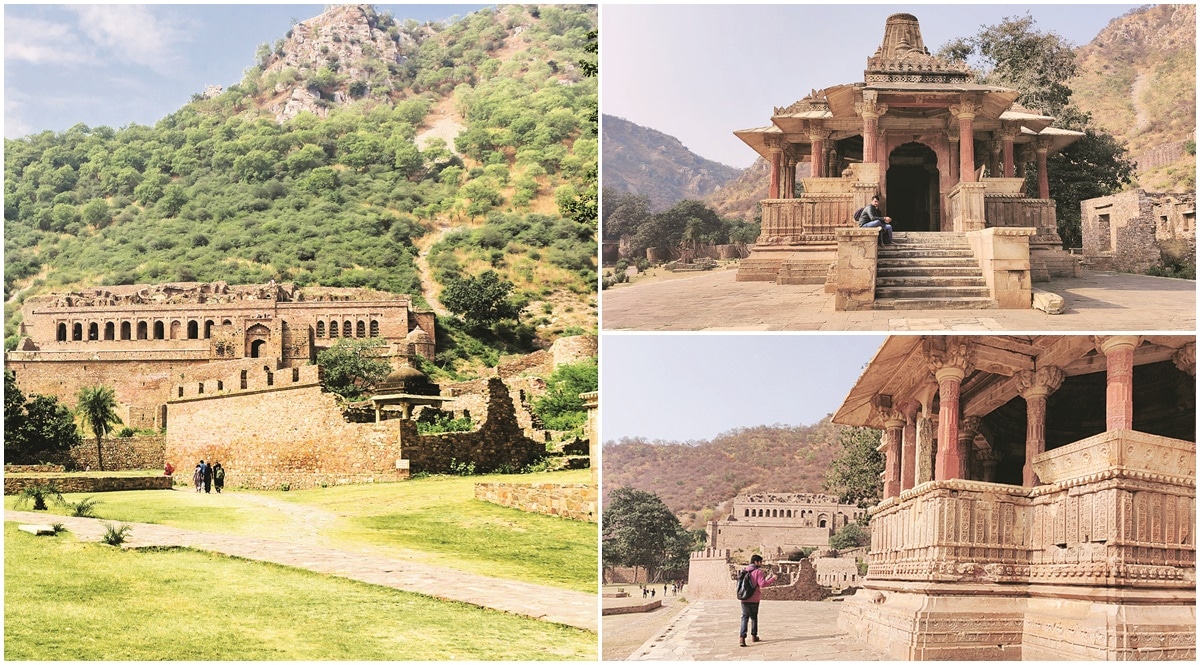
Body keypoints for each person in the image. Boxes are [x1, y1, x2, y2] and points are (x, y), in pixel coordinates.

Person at [739, 554, 778, 647]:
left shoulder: (744, 570)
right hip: (754, 598)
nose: (761, 563)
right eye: (760, 562)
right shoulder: (758, 572)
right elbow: (762, 584)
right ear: (755, 562)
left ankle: (742, 639)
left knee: (744, 617)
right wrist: (773, 579)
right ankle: (754, 636)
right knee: (754, 617)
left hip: (744, 597)